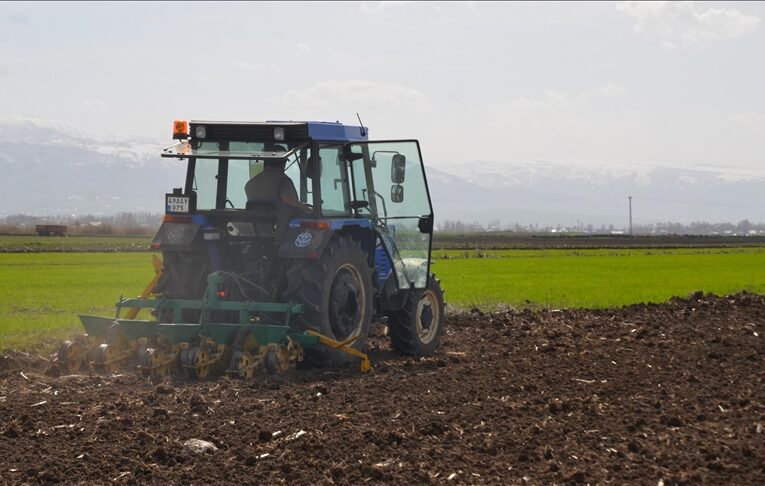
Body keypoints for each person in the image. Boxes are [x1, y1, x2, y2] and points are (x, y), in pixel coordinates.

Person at [244, 145, 311, 215]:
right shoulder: (283, 181)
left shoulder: (250, 184)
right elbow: (291, 201)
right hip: (281, 224)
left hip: (255, 225)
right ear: (283, 162)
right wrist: (310, 211)